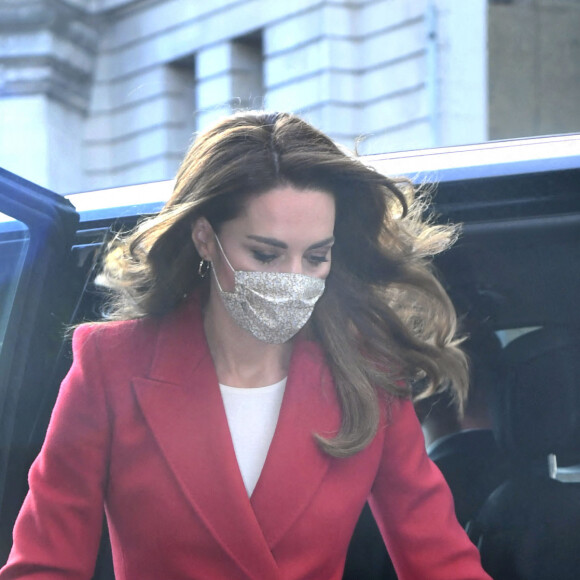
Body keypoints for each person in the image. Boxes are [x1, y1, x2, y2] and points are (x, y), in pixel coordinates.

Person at [0, 111, 491, 579]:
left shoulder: (367, 376)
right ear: (204, 239)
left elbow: (441, 561)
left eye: (316, 256)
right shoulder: (112, 366)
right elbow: (45, 567)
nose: (294, 279)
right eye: (265, 253)